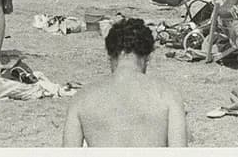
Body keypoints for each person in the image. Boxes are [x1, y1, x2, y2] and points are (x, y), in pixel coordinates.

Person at [62, 17, 187, 147]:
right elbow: (179, 150)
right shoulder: (168, 95)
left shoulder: (82, 98)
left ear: (110, 55)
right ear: (148, 57)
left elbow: (68, 151)